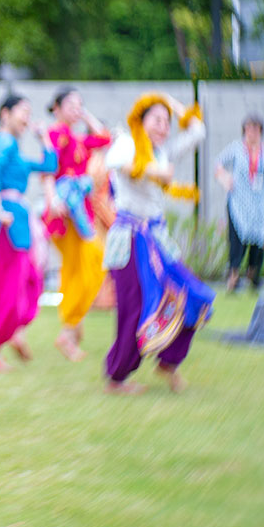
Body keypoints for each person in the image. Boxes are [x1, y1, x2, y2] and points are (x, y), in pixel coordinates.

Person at [101, 93, 214, 395]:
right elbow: (116, 162)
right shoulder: (128, 142)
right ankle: (117, 377)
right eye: (157, 119)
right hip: (128, 239)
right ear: (141, 119)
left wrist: (170, 103)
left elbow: (198, 132)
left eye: (167, 122)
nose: (164, 127)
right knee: (133, 308)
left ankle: (168, 360)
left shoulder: (164, 151)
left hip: (158, 238)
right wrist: (156, 171)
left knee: (193, 294)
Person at [0, 95, 56, 371]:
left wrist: (44, 136)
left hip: (17, 224)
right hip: (6, 225)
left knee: (31, 282)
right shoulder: (3, 142)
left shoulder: (14, 150)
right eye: (23, 111)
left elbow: (49, 166)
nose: (27, 116)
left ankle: (12, 333)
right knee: (11, 288)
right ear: (6, 113)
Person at [41, 88, 113, 362]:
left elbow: (105, 138)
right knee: (87, 264)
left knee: (80, 269)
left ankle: (70, 330)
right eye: (71, 104)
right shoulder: (56, 134)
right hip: (64, 214)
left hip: (80, 214)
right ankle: (69, 330)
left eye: (79, 104)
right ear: (57, 107)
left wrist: (86, 115)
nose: (76, 108)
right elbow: (48, 172)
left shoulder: (77, 138)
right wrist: (53, 201)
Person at [214, 115, 264, 293]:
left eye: (255, 129)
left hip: (257, 205)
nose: (252, 132)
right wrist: (225, 178)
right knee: (236, 240)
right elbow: (217, 164)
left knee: (258, 240)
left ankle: (253, 274)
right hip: (237, 203)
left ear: (260, 131)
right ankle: (233, 278)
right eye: (248, 128)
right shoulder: (236, 148)